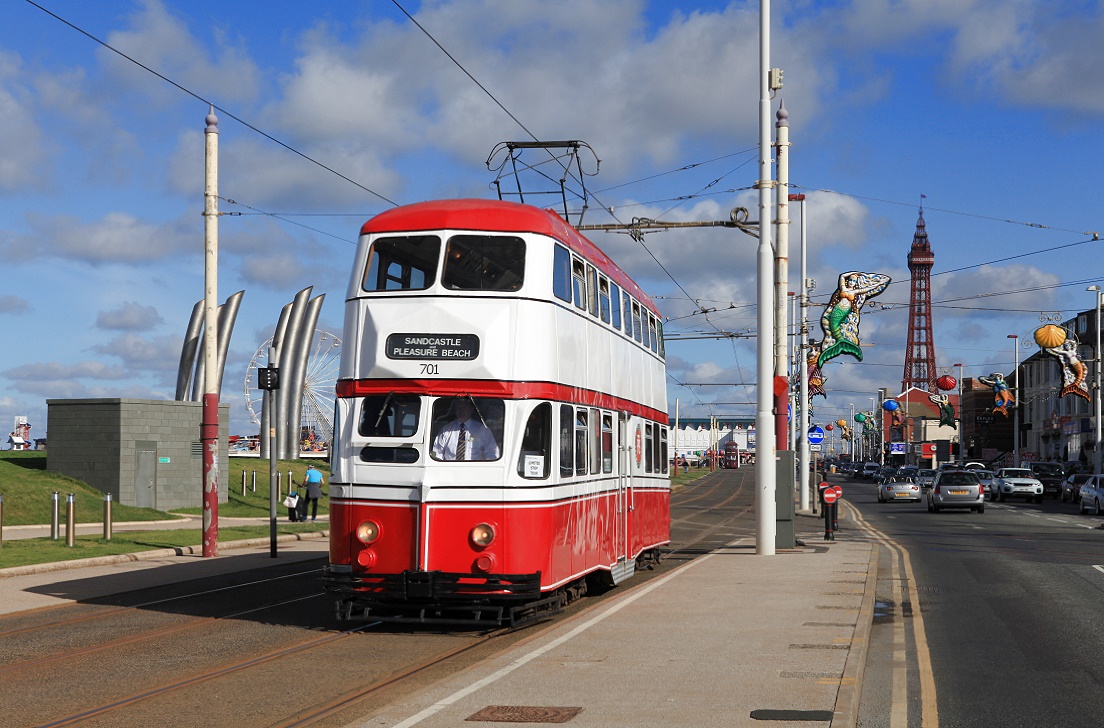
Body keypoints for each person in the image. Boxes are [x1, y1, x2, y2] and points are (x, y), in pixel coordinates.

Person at [432, 399, 500, 461]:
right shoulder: (446, 430)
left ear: (471, 410)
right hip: (449, 471)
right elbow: (437, 452)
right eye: (458, 408)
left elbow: (492, 452)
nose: (461, 410)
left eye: (464, 407)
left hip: (474, 471)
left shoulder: (482, 430)